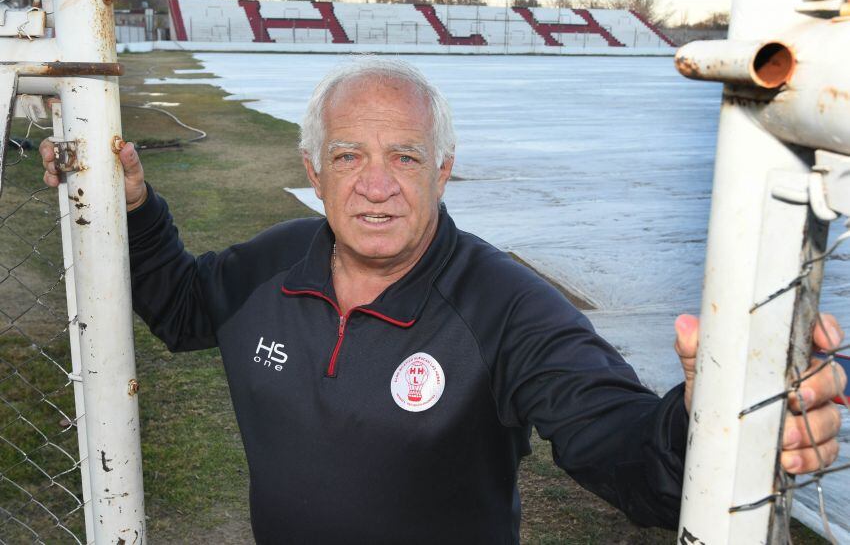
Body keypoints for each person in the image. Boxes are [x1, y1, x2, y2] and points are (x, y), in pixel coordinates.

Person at [41, 58, 845, 543]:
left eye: (406, 156)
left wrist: (708, 419)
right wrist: (136, 212)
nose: (378, 185)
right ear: (314, 171)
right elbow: (182, 308)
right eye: (349, 155)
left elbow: (625, 452)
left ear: (444, 169)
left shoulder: (508, 308)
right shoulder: (275, 262)